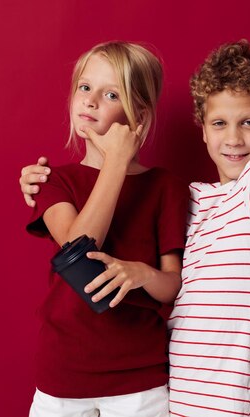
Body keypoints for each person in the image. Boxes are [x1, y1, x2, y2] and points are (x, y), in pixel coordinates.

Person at [20, 40, 250, 416]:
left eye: (249, 123)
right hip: (173, 393)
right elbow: (81, 245)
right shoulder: (196, 196)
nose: (233, 138)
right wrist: (95, 166)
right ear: (204, 132)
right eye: (219, 124)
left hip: (202, 396)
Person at [24, 41, 189, 417]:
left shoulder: (167, 188)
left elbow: (170, 286)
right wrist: (116, 160)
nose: (91, 100)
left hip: (139, 380)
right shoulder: (53, 182)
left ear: (139, 116)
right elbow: (79, 246)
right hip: (64, 374)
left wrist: (141, 273)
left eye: (110, 93)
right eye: (85, 87)